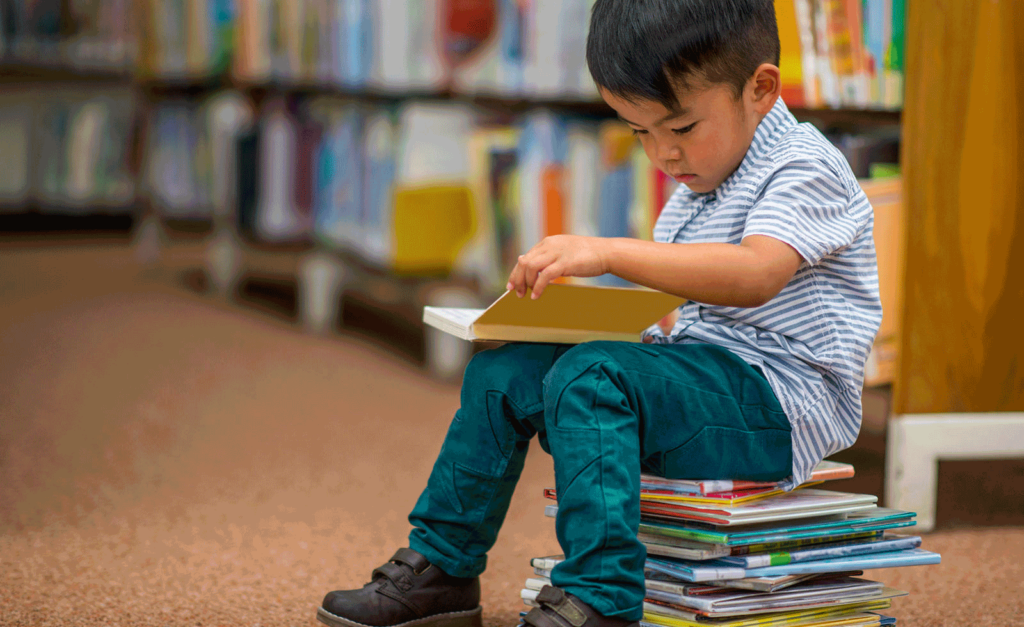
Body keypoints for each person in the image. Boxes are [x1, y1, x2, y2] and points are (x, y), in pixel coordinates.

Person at [316, 1, 881, 627]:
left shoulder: (805, 166)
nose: (662, 154)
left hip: (782, 402)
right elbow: (684, 317)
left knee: (593, 376)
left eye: (682, 128)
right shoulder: (702, 178)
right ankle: (444, 566)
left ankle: (601, 597)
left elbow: (755, 275)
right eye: (640, 132)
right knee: (502, 375)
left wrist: (607, 252)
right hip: (709, 378)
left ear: (761, 87)